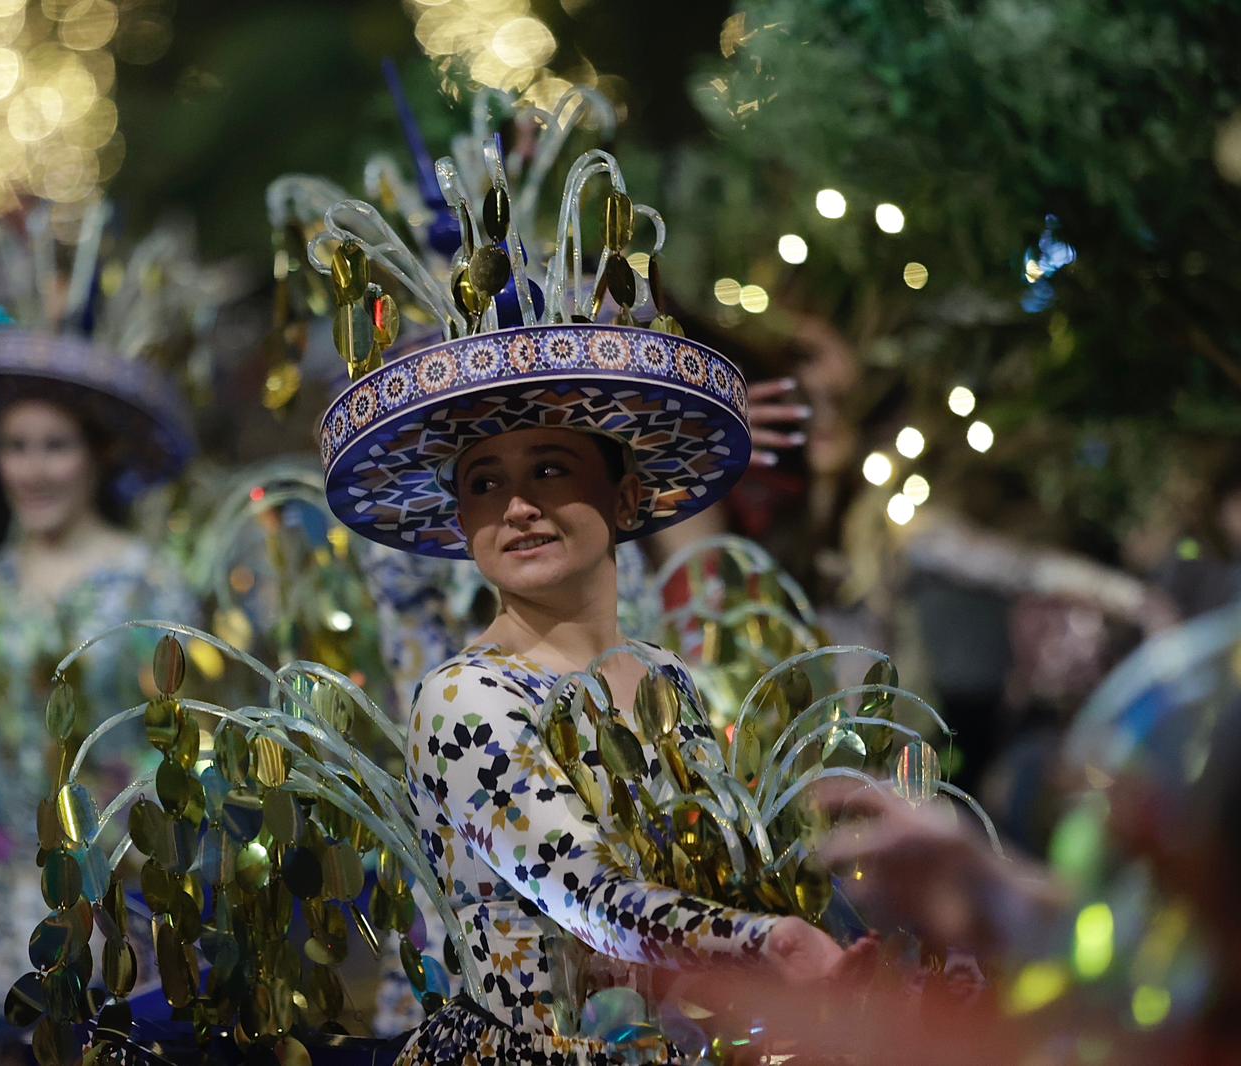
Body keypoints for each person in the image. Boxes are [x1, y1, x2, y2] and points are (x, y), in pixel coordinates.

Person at [316, 306, 865, 1064]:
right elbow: (590, 899)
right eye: (485, 482)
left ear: (627, 498)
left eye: (549, 469)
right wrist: (771, 942)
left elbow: (706, 875)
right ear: (462, 523)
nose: (518, 507)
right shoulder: (464, 699)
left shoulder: (662, 679)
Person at [0, 214, 203, 1029]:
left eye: (55, 446)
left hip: (121, 898)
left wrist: (126, 868)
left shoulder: (150, 581)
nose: (32, 470)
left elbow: (175, 752)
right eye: (15, 446)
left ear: (99, 455)